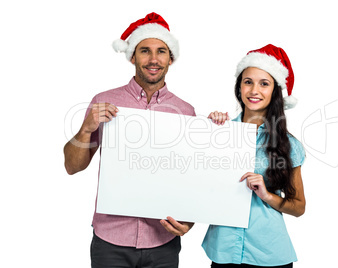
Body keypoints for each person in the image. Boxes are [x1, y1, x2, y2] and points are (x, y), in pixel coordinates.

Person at [64, 12, 195, 268]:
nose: (153, 59)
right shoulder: (103, 101)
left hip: (162, 241)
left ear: (172, 58)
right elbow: (72, 166)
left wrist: (189, 220)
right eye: (145, 50)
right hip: (110, 240)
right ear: (132, 56)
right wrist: (85, 129)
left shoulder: (186, 111)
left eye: (161, 51)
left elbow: (190, 178)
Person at [204, 44, 306, 268]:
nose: (254, 90)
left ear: (275, 91)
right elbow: (199, 186)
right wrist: (209, 130)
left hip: (268, 253)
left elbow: (298, 207)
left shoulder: (290, 145)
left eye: (264, 83)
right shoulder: (218, 132)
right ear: (239, 86)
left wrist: (268, 196)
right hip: (224, 252)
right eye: (248, 81)